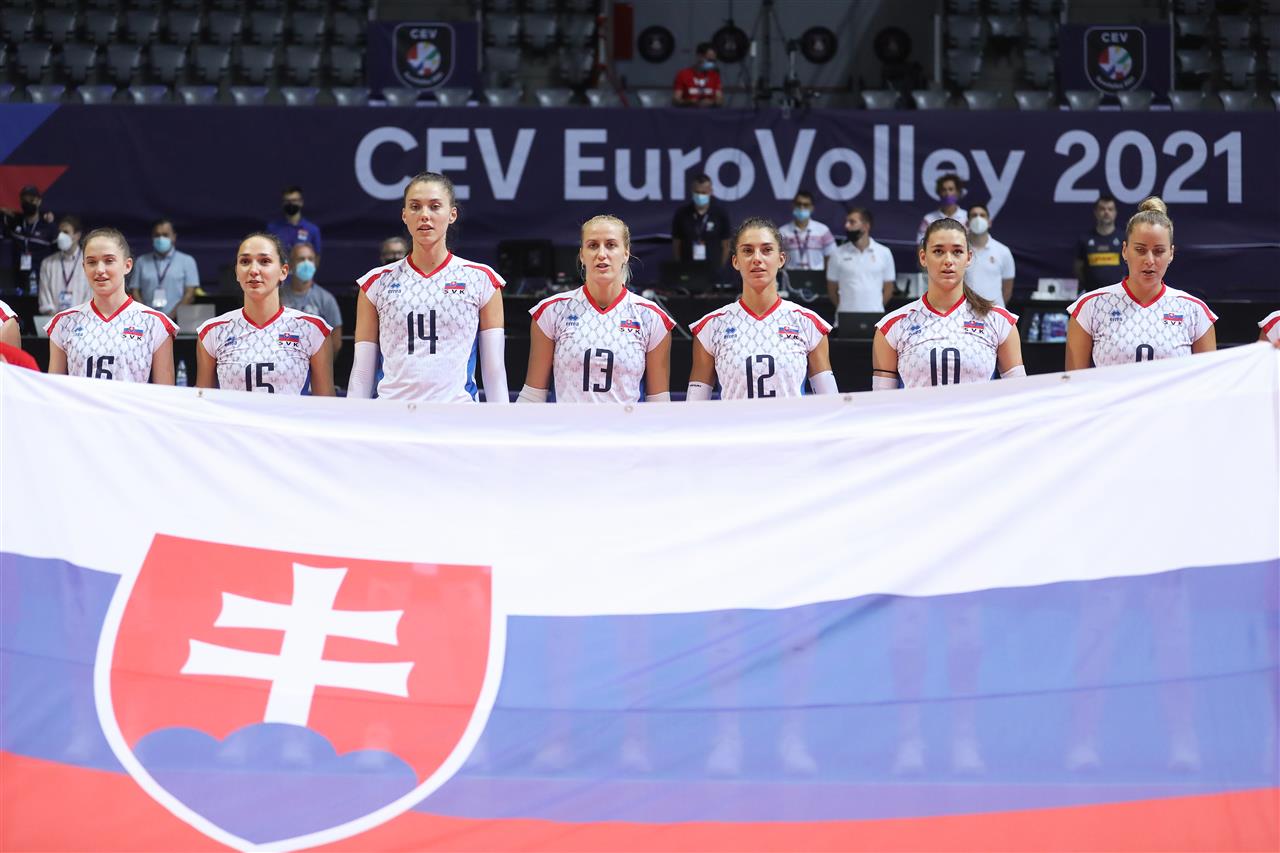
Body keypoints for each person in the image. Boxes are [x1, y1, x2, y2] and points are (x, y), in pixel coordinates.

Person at [347, 171, 509, 403]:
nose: (424, 215)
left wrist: (502, 421)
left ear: (452, 214)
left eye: (434, 206)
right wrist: (353, 420)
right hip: (392, 415)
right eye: (415, 207)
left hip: (456, 415)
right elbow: (362, 373)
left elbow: (494, 373)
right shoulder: (374, 283)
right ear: (404, 215)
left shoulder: (482, 280)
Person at [520, 215, 673, 404]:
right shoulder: (551, 311)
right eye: (593, 245)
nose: (601, 254)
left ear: (626, 253)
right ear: (582, 255)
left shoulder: (652, 317)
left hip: (626, 424)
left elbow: (659, 404)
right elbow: (533, 396)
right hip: (568, 424)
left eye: (611, 245)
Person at [688, 217, 836, 400]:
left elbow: (831, 402)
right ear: (735, 261)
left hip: (791, 420)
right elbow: (694, 407)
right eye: (748, 251)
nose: (757, 258)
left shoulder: (809, 324)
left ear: (781, 259)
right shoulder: (710, 327)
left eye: (766, 250)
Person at [1065, 196, 1216, 371]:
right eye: (1140, 250)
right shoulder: (1090, 306)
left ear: (1171, 253)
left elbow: (1207, 382)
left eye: (1159, 251)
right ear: (1124, 250)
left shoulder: (1195, 311)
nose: (1149, 260)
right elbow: (1074, 382)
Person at [873, 218, 1025, 389]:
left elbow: (1018, 393)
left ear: (968, 257)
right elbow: (882, 400)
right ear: (923, 257)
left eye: (957, 251)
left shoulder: (1000, 321)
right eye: (938, 251)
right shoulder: (892, 326)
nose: (948, 260)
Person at [195, 233, 334, 396]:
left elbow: (326, 404)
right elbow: (202, 402)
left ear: (283, 271)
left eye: (265, 261)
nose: (254, 270)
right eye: (245, 261)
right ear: (237, 272)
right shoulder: (212, 332)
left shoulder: (312, 329)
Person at [44, 228, 176, 384]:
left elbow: (165, 393)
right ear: (84, 267)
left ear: (127, 265)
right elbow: (53, 389)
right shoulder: (63, 322)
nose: (100, 270)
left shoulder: (155, 323)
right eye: (91, 262)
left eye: (109, 261)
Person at [826, 207, 896, 315]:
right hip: (845, 317)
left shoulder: (884, 252)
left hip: (876, 317)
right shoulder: (837, 253)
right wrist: (845, 309)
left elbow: (889, 287)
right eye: (846, 222)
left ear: (865, 226)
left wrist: (876, 309)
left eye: (852, 222)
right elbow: (832, 289)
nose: (846, 226)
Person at [127, 218, 200, 321]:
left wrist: (171, 317)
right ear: (152, 238)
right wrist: (146, 314)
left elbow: (190, 293)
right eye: (157, 235)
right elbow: (135, 291)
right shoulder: (141, 261)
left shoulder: (187, 261)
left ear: (174, 237)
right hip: (146, 319)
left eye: (165, 235)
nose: (161, 238)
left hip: (177, 319)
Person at [280, 242, 342, 357]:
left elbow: (336, 341)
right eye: (301, 259)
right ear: (291, 263)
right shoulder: (278, 296)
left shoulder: (326, 299)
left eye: (310, 259)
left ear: (316, 262)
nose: (306, 263)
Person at [3, 185, 57, 295]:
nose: (28, 203)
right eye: (24, 200)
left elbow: (58, 252)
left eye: (32, 200)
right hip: (18, 276)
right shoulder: (14, 221)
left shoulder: (48, 227)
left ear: (39, 201)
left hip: (42, 277)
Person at [671, 174, 731, 269]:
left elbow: (726, 244)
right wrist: (679, 267)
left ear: (710, 192)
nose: (700, 196)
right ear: (692, 191)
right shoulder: (682, 214)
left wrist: (720, 268)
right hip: (688, 268)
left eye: (703, 193)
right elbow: (676, 243)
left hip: (713, 269)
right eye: (697, 192)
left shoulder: (720, 214)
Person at [963, 203, 1015, 308]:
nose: (978, 219)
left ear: (989, 222)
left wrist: (994, 311)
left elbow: (1007, 290)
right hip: (965, 312)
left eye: (982, 215)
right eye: (974, 215)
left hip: (994, 312)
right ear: (967, 223)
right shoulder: (958, 251)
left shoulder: (1003, 251)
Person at [37, 215, 90, 315]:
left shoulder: (89, 262)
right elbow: (45, 299)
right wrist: (57, 319)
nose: (61, 236)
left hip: (82, 319)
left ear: (77, 236)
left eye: (65, 232)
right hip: (54, 319)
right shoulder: (48, 263)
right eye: (59, 232)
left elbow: (90, 295)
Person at [1074, 194, 1124, 292]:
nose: (1106, 212)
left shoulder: (1124, 238)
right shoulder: (1085, 239)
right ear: (1096, 212)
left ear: (1115, 213)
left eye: (1110, 209)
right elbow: (1078, 268)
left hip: (1118, 294)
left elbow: (1132, 266)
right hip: (1091, 293)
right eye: (1102, 209)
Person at [778, 190, 835, 272]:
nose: (802, 207)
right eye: (799, 204)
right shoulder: (783, 231)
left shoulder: (823, 231)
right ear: (793, 206)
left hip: (817, 276)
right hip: (791, 276)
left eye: (806, 205)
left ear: (812, 208)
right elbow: (776, 257)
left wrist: (826, 276)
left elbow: (831, 257)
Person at [266, 185, 322, 257]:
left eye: (294, 200)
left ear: (301, 202)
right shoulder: (272, 228)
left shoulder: (312, 229)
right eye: (287, 201)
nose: (291, 204)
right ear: (283, 203)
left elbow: (317, 255)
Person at [916, 173, 968, 246]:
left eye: (951, 189)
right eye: (944, 190)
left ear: (957, 192)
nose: (947, 193)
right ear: (939, 193)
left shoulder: (967, 217)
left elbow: (973, 245)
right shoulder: (928, 219)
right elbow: (921, 245)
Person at [672, 42, 724, 107]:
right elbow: (676, 99)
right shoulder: (683, 74)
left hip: (709, 112)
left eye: (713, 61)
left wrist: (712, 102)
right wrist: (690, 101)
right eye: (709, 60)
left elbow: (720, 99)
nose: (711, 63)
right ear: (699, 56)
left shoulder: (714, 75)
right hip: (689, 111)